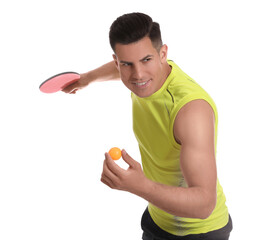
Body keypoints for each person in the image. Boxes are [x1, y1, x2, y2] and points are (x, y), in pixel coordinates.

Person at [63, 12, 232, 240]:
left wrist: (140, 187)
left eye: (146, 60)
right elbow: (129, 69)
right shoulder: (139, 77)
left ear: (163, 54)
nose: (138, 75)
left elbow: (204, 205)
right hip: (157, 218)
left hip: (199, 233)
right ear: (118, 62)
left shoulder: (191, 110)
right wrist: (87, 78)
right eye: (127, 64)